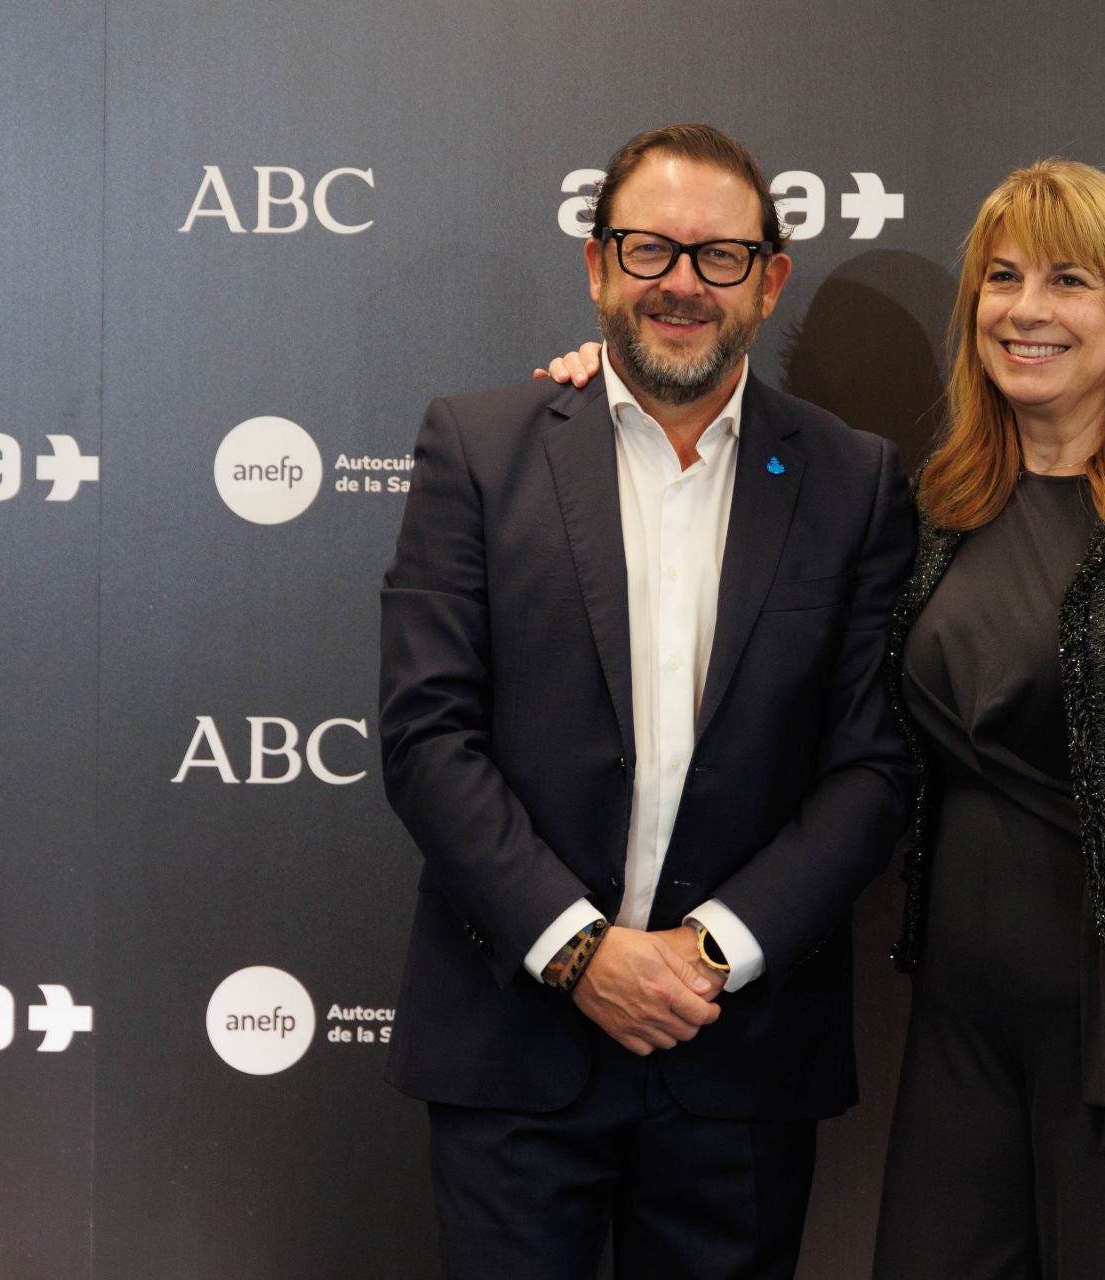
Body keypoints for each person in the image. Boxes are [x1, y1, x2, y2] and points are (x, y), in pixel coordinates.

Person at [546, 159, 1105, 1278]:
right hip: (963, 1020)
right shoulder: (947, 497)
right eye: (1002, 277)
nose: (1025, 309)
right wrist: (621, 393)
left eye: (1069, 280)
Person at [377, 122, 915, 1280]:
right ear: (595, 264)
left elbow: (873, 765)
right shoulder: (479, 447)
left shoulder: (855, 480)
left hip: (741, 1062)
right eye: (648, 248)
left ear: (770, 281)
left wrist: (709, 954)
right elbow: (427, 734)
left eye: (719, 256)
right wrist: (581, 952)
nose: (681, 281)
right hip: (513, 1047)